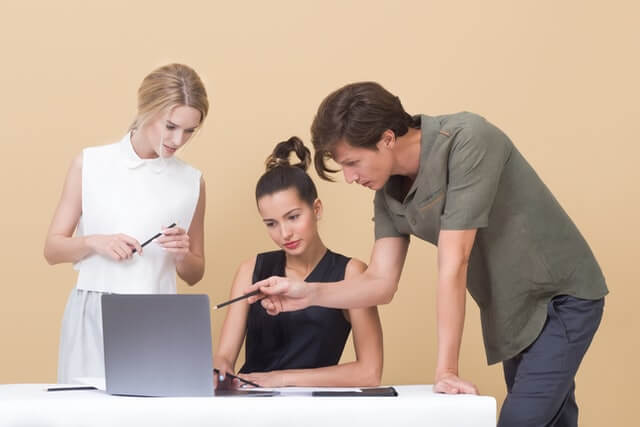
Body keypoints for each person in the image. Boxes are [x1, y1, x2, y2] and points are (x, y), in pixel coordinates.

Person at [249, 82, 607, 426]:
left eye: (353, 162)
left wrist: (446, 371)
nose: (348, 177)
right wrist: (306, 293)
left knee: (522, 420)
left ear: (387, 138)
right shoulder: (388, 188)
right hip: (510, 313)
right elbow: (380, 282)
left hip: (560, 297)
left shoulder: (468, 140)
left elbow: (454, 262)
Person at [44, 63, 209, 383]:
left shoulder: (192, 182)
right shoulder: (90, 163)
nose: (179, 140)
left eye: (190, 130)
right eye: (171, 126)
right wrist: (94, 241)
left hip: (159, 316)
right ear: (147, 110)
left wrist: (181, 254)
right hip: (93, 311)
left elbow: (194, 273)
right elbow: (52, 249)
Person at [214, 136, 383, 388]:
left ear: (316, 209)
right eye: (271, 224)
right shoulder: (251, 270)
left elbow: (369, 373)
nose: (284, 234)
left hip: (314, 410)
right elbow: (224, 357)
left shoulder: (351, 273)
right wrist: (218, 372)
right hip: (251, 407)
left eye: (293, 217)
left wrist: (282, 379)